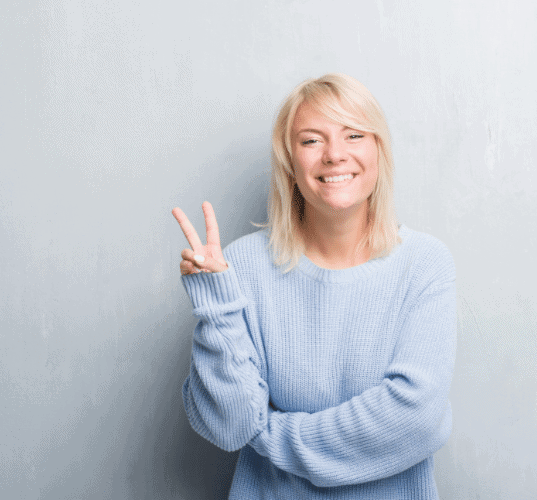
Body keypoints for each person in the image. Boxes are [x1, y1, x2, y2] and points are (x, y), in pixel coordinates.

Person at [172, 73, 457, 499]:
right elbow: (230, 427)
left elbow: (415, 418)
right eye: (311, 141)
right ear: (290, 161)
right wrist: (217, 308)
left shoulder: (423, 264)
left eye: (354, 135)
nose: (335, 155)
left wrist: (268, 436)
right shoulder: (244, 266)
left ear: (379, 151)